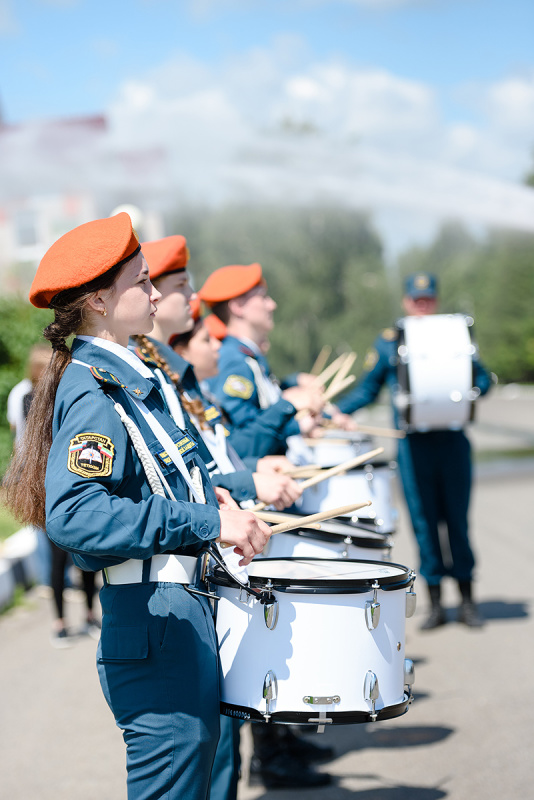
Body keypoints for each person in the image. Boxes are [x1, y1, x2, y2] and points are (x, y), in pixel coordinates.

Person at [3, 213, 271, 800]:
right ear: (99, 299)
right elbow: (79, 517)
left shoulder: (124, 377)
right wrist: (209, 520)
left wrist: (213, 495)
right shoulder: (92, 388)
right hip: (153, 622)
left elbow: (155, 482)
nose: (156, 294)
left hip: (173, 612)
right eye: (143, 282)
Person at [337, 272, 492, 629]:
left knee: (457, 521)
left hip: (452, 441)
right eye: (416, 299)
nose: (422, 306)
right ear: (406, 301)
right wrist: (337, 411)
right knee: (423, 523)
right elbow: (369, 387)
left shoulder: (454, 337)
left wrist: (466, 393)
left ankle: (468, 602)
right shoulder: (391, 341)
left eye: (428, 299)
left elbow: (481, 378)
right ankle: (436, 603)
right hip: (413, 447)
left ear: (436, 300)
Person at [198, 263, 325, 459]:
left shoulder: (247, 355)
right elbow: (245, 435)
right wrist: (295, 425)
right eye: (263, 297)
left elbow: (262, 402)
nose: (272, 304)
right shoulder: (234, 361)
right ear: (238, 307)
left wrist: (293, 382)